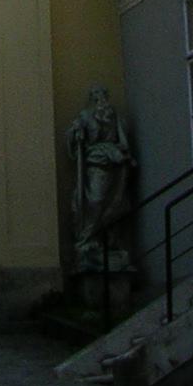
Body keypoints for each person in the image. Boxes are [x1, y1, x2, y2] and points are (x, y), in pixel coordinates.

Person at [66, 85, 134, 266]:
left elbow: (123, 140)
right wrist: (76, 133)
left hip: (115, 165)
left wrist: (121, 152)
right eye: (96, 94)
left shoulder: (114, 116)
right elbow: (73, 138)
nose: (100, 98)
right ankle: (86, 239)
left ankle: (108, 241)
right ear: (92, 98)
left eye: (103, 94)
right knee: (95, 201)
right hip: (96, 165)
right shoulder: (85, 116)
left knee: (115, 203)